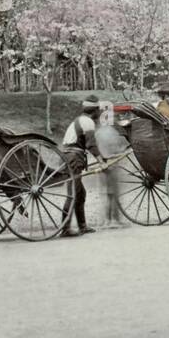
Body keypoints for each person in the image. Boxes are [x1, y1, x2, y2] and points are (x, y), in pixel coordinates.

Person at [60, 96, 101, 236]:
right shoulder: (88, 122)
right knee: (73, 194)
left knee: (80, 193)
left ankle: (82, 226)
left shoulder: (79, 120)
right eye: (98, 110)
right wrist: (102, 161)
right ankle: (64, 229)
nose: (99, 113)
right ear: (94, 110)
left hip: (68, 156)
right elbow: (91, 145)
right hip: (73, 157)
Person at [93, 102, 129, 227]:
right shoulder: (113, 133)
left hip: (102, 165)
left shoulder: (98, 132)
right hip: (112, 165)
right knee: (114, 194)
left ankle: (106, 220)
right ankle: (115, 220)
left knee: (106, 194)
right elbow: (120, 149)